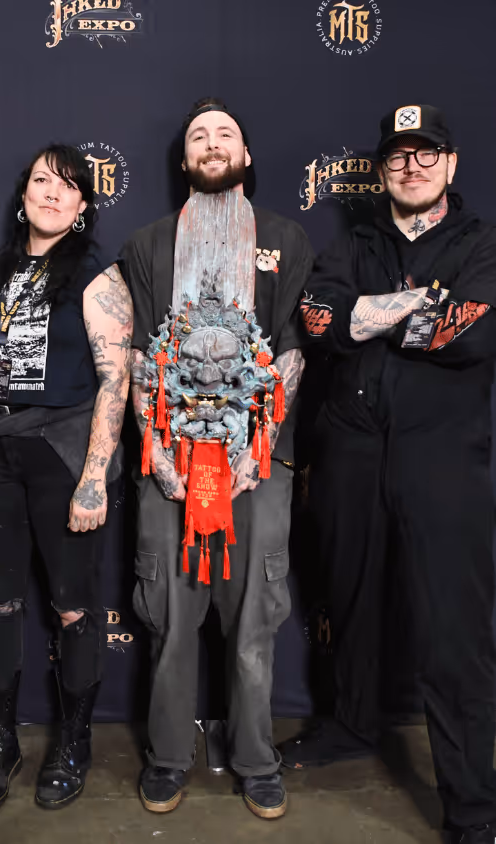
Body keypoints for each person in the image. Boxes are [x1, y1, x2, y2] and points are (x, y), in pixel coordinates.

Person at [286, 104, 496, 843]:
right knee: (349, 602)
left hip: (441, 463)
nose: (411, 166)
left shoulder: (481, 244)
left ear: (450, 163)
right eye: (398, 156)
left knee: (451, 633)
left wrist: (365, 316)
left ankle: (470, 802)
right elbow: (317, 321)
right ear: (381, 169)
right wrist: (412, 307)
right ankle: (350, 726)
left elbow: (466, 335)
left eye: (426, 153)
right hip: (349, 454)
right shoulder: (352, 244)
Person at [119, 97, 314, 819]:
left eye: (224, 134)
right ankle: (168, 756)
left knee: (254, 619)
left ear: (245, 156)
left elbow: (291, 352)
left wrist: (251, 458)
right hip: (167, 460)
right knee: (169, 616)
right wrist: (161, 457)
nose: (210, 144)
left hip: (258, 466)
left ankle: (256, 758)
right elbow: (138, 357)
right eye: (197, 137)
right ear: (182, 161)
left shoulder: (286, 239)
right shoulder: (146, 244)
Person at [0, 144, 132, 814]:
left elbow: (116, 377)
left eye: (67, 186)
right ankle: (0, 743)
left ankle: (73, 740)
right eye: (40, 181)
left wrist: (93, 476)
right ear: (23, 195)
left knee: (72, 606)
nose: (52, 193)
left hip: (61, 456)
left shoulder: (96, 274)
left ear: (83, 205)